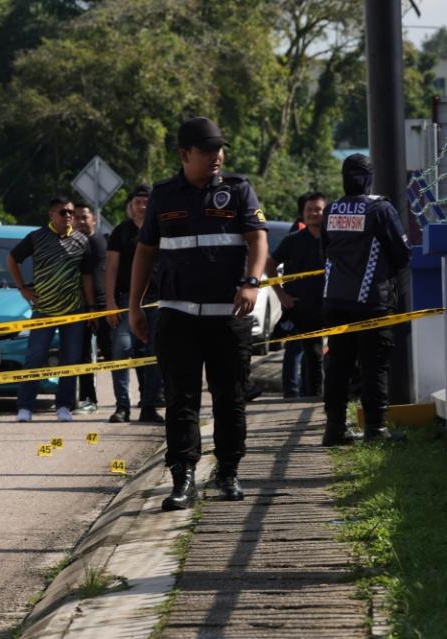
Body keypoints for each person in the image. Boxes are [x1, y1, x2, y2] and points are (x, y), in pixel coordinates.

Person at [129, 116, 268, 510]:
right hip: (178, 316)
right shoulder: (163, 195)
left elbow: (258, 239)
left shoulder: (238, 191)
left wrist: (252, 282)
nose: (216, 157)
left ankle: (228, 473)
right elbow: (145, 252)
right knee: (180, 400)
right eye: (207, 151)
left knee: (231, 398)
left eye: (219, 149)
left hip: (228, 316)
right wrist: (134, 306)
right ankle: (184, 478)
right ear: (184, 154)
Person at [320, 154, 411, 445]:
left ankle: (334, 428)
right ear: (369, 178)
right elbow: (402, 253)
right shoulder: (380, 209)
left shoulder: (331, 210)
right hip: (372, 300)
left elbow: (324, 250)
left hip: (335, 300)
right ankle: (376, 428)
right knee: (375, 364)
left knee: (338, 364)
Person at [7, 196, 95, 423]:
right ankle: (25, 407)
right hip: (43, 309)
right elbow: (12, 259)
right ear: (51, 215)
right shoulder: (36, 237)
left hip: (73, 310)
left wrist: (91, 307)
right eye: (63, 212)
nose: (68, 216)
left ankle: (64, 406)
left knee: (70, 360)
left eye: (71, 213)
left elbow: (86, 276)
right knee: (34, 357)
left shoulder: (81, 240)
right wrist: (22, 288)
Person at [104, 185, 165, 424]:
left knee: (153, 355)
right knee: (121, 350)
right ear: (131, 206)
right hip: (124, 301)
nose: (143, 206)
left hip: (157, 301)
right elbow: (111, 268)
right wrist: (109, 302)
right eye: (138, 202)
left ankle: (149, 405)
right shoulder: (121, 232)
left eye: (147, 202)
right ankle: (122, 406)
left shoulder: (163, 229)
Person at [266, 191, 328, 399]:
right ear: (303, 213)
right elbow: (270, 265)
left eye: (318, 209)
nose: (313, 213)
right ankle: (292, 395)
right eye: (309, 210)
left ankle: (315, 395)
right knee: (297, 351)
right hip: (298, 306)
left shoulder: (334, 239)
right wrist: (281, 295)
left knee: (320, 354)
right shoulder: (293, 240)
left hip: (329, 305)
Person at [73, 202, 109, 413]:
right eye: (76, 217)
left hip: (103, 306)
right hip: (82, 307)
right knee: (83, 355)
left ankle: (128, 402)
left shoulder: (99, 242)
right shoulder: (75, 244)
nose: (80, 221)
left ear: (94, 219)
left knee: (115, 354)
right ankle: (88, 399)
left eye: (84, 217)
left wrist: (95, 307)